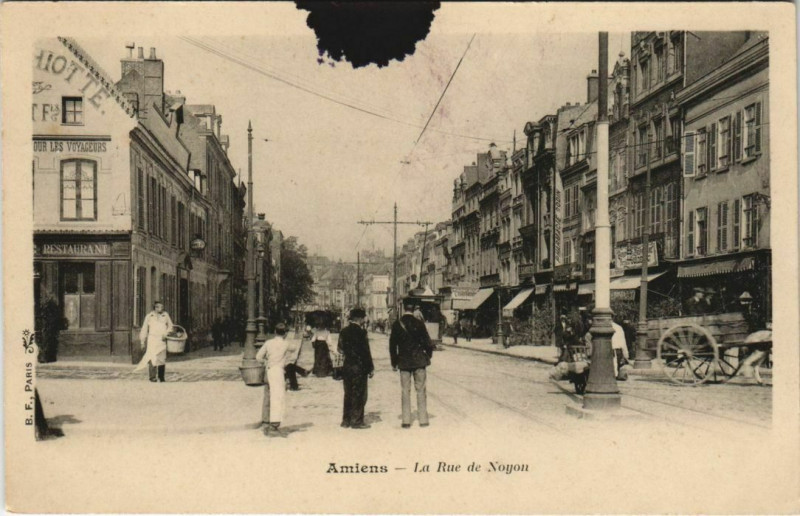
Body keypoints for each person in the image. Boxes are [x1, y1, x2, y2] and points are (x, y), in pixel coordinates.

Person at [390, 301, 434, 428]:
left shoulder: (397, 325)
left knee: (405, 391)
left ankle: (406, 420)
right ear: (413, 308)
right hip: (419, 361)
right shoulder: (419, 323)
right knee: (421, 390)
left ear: (404, 308)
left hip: (404, 362)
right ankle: (423, 420)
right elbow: (428, 342)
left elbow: (392, 345)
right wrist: (428, 355)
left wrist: (394, 362)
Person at [338, 308, 374, 429]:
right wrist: (370, 368)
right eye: (364, 317)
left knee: (348, 393)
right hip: (360, 366)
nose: (365, 319)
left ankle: (346, 420)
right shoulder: (362, 332)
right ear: (359, 319)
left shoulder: (343, 331)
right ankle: (357, 421)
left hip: (347, 365)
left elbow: (340, 349)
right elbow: (366, 352)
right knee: (359, 393)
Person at [256, 323, 290, 436]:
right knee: (277, 396)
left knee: (267, 395)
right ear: (285, 333)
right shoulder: (286, 344)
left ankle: (265, 420)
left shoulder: (268, 343)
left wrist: (266, 362)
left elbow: (258, 357)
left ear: (275, 332)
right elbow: (294, 348)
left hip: (269, 370)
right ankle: (274, 424)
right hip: (278, 372)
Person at [134, 301, 174, 382]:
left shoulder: (165, 315)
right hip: (152, 339)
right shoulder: (149, 316)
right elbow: (144, 329)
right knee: (152, 357)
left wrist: (166, 334)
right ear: (155, 308)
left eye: (162, 307)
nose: (161, 309)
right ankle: (152, 377)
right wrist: (142, 341)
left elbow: (171, 326)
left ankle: (161, 377)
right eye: (159, 307)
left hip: (161, 339)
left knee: (161, 358)